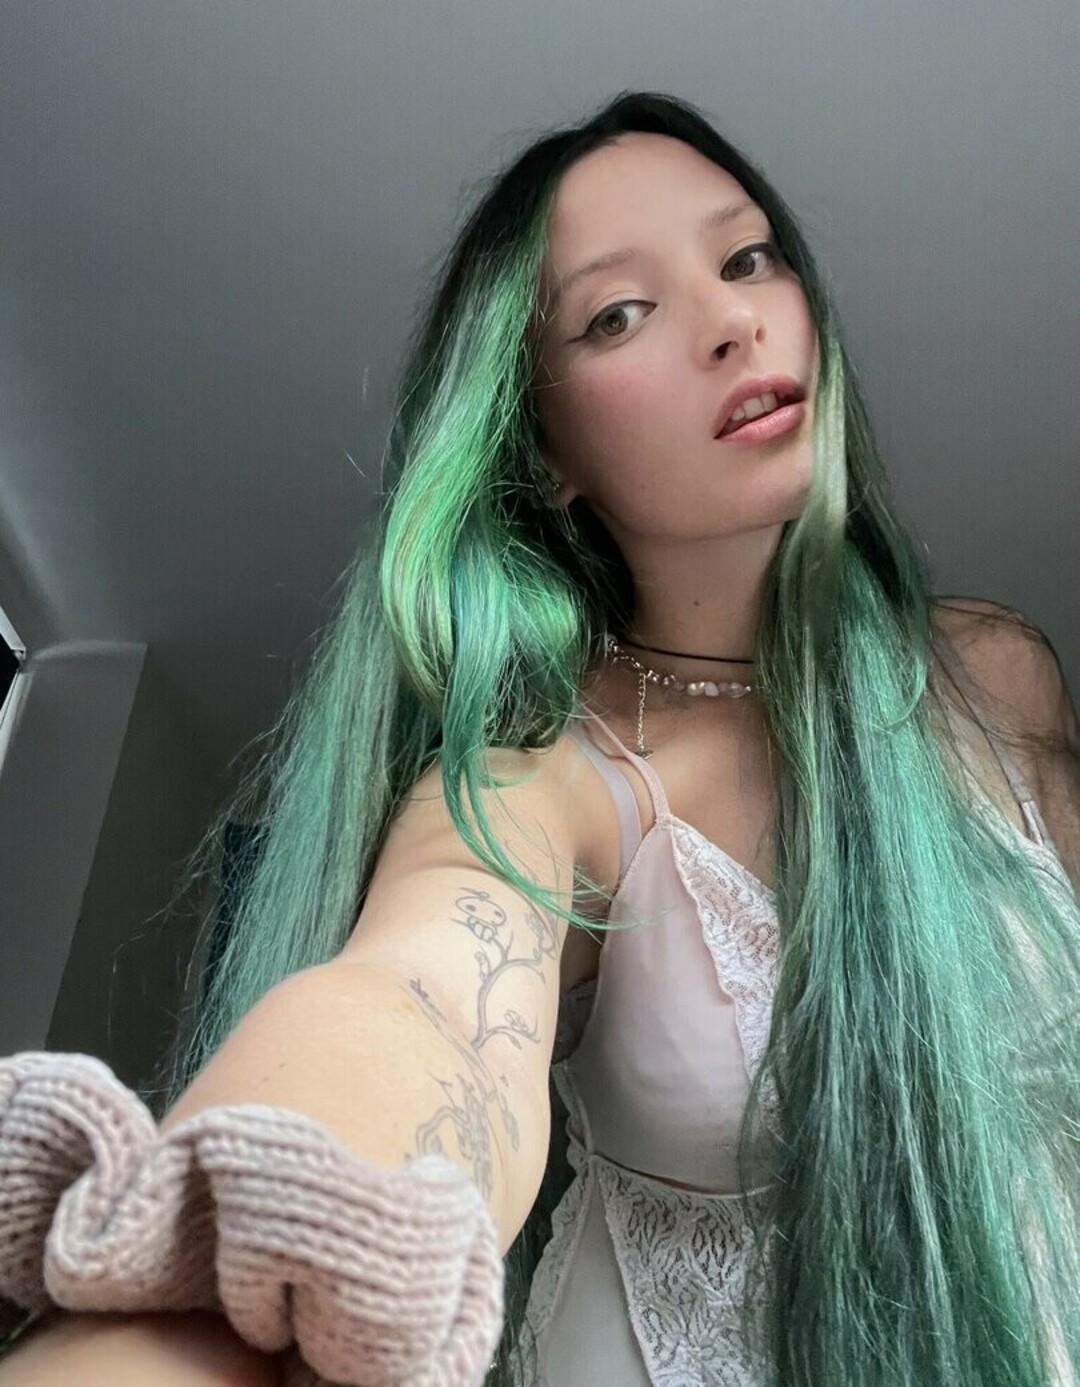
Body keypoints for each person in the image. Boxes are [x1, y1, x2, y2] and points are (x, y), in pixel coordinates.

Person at [1, 90, 1078, 1387]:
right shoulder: (547, 781)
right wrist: (186, 1293)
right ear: (543, 448)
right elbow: (414, 1011)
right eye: (620, 314)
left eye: (748, 258)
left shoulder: (994, 675)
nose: (733, 321)